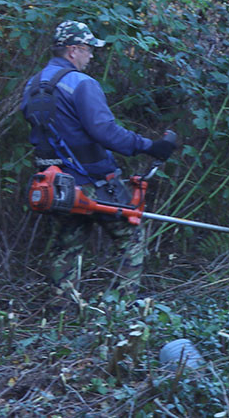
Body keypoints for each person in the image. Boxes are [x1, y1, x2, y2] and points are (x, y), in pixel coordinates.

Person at [21, 20, 176, 291]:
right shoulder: (81, 83)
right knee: (131, 239)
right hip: (94, 182)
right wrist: (150, 146)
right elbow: (105, 131)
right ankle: (122, 308)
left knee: (65, 249)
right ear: (73, 50)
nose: (91, 56)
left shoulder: (32, 85)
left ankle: (62, 308)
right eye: (88, 49)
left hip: (54, 184)